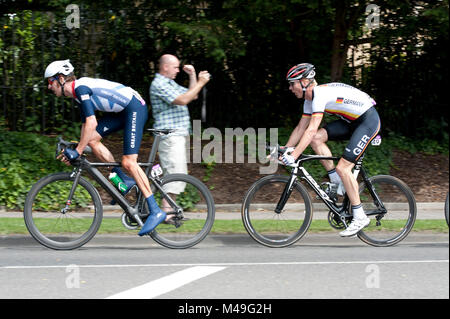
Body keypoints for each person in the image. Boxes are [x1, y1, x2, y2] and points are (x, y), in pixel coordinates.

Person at [44, 59, 167, 236]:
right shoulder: (78, 95)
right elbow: (87, 128)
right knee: (93, 140)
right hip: (123, 111)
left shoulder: (80, 88)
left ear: (61, 79)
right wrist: (75, 147)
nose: (49, 87)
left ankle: (156, 210)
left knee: (129, 162)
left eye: (50, 82)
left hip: (134, 107)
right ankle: (124, 180)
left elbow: (91, 121)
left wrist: (77, 151)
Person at [282, 63, 381, 237]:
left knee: (344, 167)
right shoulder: (309, 99)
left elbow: (312, 128)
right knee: (316, 139)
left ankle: (359, 216)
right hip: (352, 122)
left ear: (305, 82)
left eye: (292, 84)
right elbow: (301, 128)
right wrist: (286, 149)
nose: (290, 88)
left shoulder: (319, 94)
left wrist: (295, 154)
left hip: (367, 121)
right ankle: (336, 182)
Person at [149, 54, 210, 211]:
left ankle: (163, 209)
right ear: (165, 67)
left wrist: (192, 76)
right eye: (175, 67)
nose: (177, 70)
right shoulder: (159, 84)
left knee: (176, 173)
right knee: (175, 174)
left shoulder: (169, 83)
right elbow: (183, 100)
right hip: (170, 136)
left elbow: (192, 94)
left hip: (175, 136)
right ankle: (166, 212)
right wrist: (202, 81)